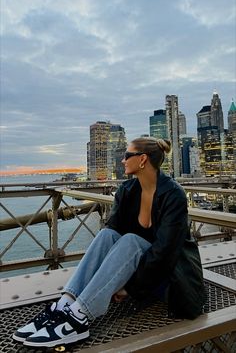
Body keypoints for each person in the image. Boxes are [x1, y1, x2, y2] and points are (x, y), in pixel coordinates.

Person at [13, 137, 205, 348]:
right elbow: (113, 233)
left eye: (127, 155)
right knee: (107, 235)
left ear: (142, 160)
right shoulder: (127, 191)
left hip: (174, 278)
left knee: (131, 240)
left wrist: (128, 288)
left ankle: (80, 316)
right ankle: (65, 303)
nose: (122, 160)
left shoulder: (173, 194)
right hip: (143, 274)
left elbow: (165, 254)